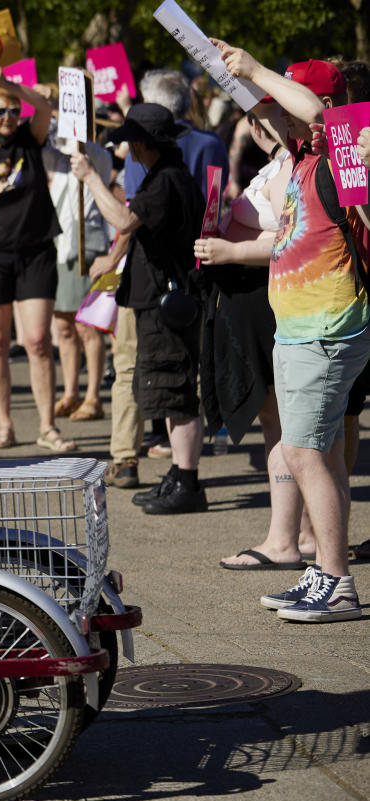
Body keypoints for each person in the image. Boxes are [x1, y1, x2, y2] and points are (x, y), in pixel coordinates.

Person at [216, 44, 368, 622]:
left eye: (275, 101)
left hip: (326, 326)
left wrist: (256, 69)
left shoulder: (342, 148)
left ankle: (336, 582)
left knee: (305, 453)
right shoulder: (300, 159)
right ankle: (327, 574)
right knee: (321, 452)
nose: (266, 114)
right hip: (300, 325)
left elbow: (318, 114)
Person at [72, 103, 206, 514]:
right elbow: (137, 228)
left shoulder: (166, 180)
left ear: (142, 144)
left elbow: (125, 221)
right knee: (164, 390)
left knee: (175, 389)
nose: (126, 147)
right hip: (157, 300)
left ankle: (187, 481)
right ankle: (180, 476)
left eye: (130, 140)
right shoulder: (162, 176)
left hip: (168, 304)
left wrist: (92, 178)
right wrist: (113, 261)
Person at [190, 100, 296, 568]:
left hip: (272, 302)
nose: (254, 123)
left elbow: (294, 238)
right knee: (281, 426)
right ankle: (298, 535)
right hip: (262, 302)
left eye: (263, 113)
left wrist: (230, 253)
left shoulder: (294, 165)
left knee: (282, 427)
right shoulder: (280, 162)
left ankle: (284, 541)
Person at [0, 64, 74, 452]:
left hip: (36, 251)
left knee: (38, 340)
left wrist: (10, 86)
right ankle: (5, 425)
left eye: (12, 110)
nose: (7, 117)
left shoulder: (28, 139)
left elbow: (44, 107)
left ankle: (47, 426)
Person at [46, 132, 113, 423]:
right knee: (63, 326)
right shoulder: (53, 154)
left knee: (87, 326)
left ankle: (93, 397)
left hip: (87, 245)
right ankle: (71, 392)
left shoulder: (95, 153)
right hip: (60, 246)